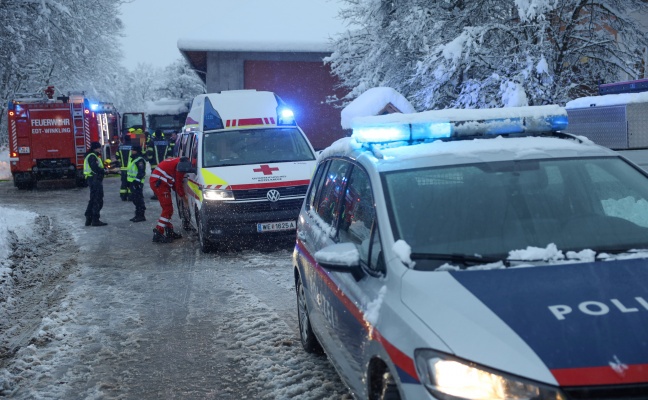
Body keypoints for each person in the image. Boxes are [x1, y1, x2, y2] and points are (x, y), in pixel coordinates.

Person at [149, 156, 187, 243]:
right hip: (159, 183)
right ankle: (158, 232)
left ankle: (169, 230)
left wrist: (178, 192)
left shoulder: (178, 161)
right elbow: (178, 183)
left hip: (158, 181)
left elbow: (174, 183)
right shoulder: (181, 166)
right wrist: (183, 196)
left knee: (167, 209)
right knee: (168, 209)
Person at [83, 142, 107, 226]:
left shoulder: (91, 155)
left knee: (93, 199)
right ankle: (95, 219)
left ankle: (89, 217)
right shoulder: (93, 156)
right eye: (99, 148)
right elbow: (95, 168)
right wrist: (104, 171)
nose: (100, 149)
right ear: (95, 148)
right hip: (95, 179)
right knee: (98, 199)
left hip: (92, 179)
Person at [146, 129, 170, 200]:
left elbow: (150, 154)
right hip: (164, 166)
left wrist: (150, 161)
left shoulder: (152, 142)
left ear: (155, 135)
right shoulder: (166, 142)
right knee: (164, 179)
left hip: (155, 166)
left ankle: (157, 194)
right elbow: (169, 153)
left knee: (155, 180)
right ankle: (165, 193)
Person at [127, 145, 147, 222]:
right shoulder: (133, 158)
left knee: (139, 199)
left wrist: (137, 181)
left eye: (133, 150)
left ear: (137, 151)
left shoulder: (139, 160)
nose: (132, 151)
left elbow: (141, 172)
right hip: (132, 182)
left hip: (137, 183)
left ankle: (141, 215)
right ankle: (137, 215)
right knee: (135, 199)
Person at [115, 136, 133, 201]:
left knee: (124, 183)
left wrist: (121, 163)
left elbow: (117, 156)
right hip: (131, 169)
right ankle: (131, 196)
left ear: (124, 140)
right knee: (131, 183)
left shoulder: (120, 147)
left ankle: (123, 196)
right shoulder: (133, 147)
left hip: (123, 168)